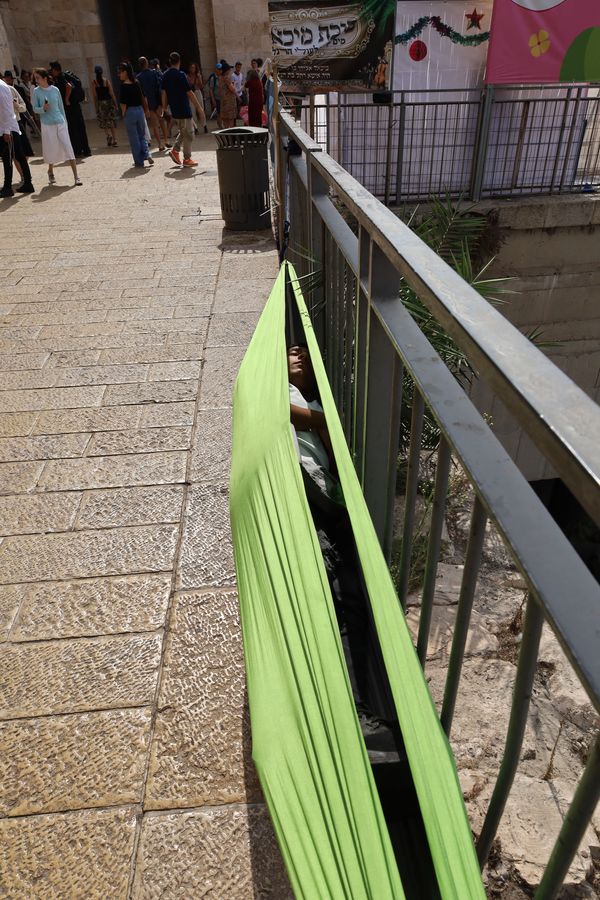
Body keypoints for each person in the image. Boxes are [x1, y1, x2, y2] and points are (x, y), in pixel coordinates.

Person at [287, 344, 398, 755]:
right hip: (296, 491)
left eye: (304, 351)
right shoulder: (278, 390)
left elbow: (336, 459)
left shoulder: (315, 400)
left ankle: (358, 712)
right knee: (326, 596)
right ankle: (347, 715)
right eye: (290, 349)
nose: (298, 352)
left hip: (326, 499)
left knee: (346, 598)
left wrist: (323, 421)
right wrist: (324, 421)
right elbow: (283, 415)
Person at [32, 68, 81, 186]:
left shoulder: (55, 90)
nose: (36, 80)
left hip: (60, 121)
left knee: (68, 147)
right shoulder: (36, 91)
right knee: (51, 149)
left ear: (44, 78)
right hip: (47, 124)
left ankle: (76, 177)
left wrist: (65, 122)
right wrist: (42, 109)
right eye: (35, 78)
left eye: (37, 77)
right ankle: (50, 171)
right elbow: (35, 108)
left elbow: (61, 107)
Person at [160, 51, 204, 167]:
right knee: (189, 134)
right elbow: (189, 92)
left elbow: (163, 93)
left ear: (170, 62)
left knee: (184, 131)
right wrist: (198, 107)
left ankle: (175, 150)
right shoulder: (181, 75)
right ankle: (187, 159)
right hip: (184, 108)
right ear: (179, 61)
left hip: (175, 109)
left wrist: (164, 108)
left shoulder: (165, 75)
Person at [0, 75, 34, 197]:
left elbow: (7, 111)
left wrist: (7, 131)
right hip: (8, 128)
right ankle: (28, 183)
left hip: (8, 129)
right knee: (18, 155)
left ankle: (8, 187)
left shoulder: (1, 87)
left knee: (8, 157)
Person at [48, 61, 91, 157]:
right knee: (80, 128)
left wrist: (66, 99)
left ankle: (78, 151)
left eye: (52, 69)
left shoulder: (61, 77)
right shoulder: (65, 76)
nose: (51, 71)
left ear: (55, 70)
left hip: (70, 107)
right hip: (75, 106)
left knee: (72, 129)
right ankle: (86, 150)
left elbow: (68, 86)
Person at [117, 62, 153, 168]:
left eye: (121, 72)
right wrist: (146, 110)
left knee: (134, 138)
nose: (119, 74)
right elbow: (142, 97)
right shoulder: (137, 82)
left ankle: (139, 161)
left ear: (125, 72)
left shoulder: (123, 86)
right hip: (139, 110)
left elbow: (123, 103)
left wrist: (123, 113)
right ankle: (147, 154)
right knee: (142, 135)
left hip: (130, 112)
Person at [136, 57, 166, 151]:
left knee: (155, 125)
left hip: (148, 102)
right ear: (147, 63)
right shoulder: (154, 72)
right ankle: (166, 140)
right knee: (161, 121)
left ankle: (160, 144)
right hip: (157, 99)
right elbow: (160, 84)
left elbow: (141, 93)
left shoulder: (138, 77)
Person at [91, 65, 117, 147]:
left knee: (104, 121)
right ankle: (115, 139)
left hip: (101, 104)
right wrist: (115, 104)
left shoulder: (94, 82)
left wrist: (96, 107)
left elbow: (95, 96)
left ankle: (108, 135)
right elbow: (111, 93)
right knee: (111, 120)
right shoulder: (106, 81)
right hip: (109, 103)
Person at [186, 62, 206, 134]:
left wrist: (199, 78)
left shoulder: (198, 76)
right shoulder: (187, 76)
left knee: (201, 109)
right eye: (191, 67)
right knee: (192, 110)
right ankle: (195, 127)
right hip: (191, 93)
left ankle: (204, 125)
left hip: (197, 92)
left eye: (194, 67)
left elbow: (201, 86)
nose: (192, 69)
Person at [219, 61, 237, 129]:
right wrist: (234, 84)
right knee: (230, 120)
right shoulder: (227, 78)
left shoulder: (220, 77)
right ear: (226, 70)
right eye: (229, 69)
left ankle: (226, 135)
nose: (230, 70)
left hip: (224, 101)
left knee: (225, 120)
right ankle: (230, 136)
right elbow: (232, 89)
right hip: (229, 102)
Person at [207, 62, 221, 127]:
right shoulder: (213, 78)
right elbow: (211, 90)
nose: (220, 70)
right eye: (219, 69)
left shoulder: (222, 77)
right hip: (217, 98)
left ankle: (221, 124)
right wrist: (213, 100)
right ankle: (220, 125)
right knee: (219, 112)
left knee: (222, 112)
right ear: (216, 69)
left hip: (222, 98)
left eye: (221, 69)